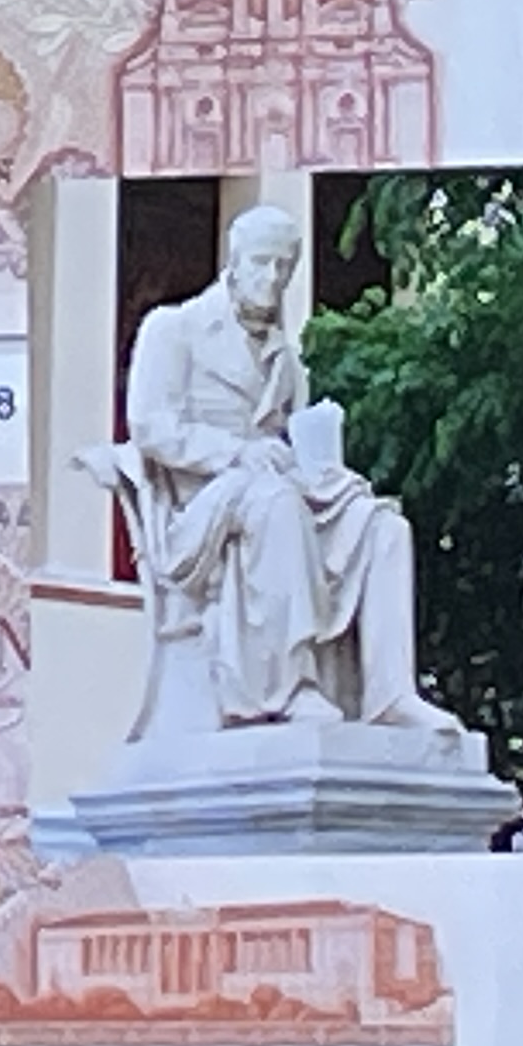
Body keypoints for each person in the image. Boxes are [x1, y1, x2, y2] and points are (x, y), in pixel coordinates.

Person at [120, 202, 457, 736]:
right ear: (234, 262)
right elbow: (150, 425)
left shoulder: (285, 357)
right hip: (199, 509)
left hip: (274, 492)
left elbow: (291, 440)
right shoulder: (174, 329)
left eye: (284, 267)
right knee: (274, 502)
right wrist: (235, 451)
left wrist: (322, 468)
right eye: (261, 263)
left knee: (380, 523)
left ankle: (391, 692)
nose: (272, 277)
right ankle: (289, 685)